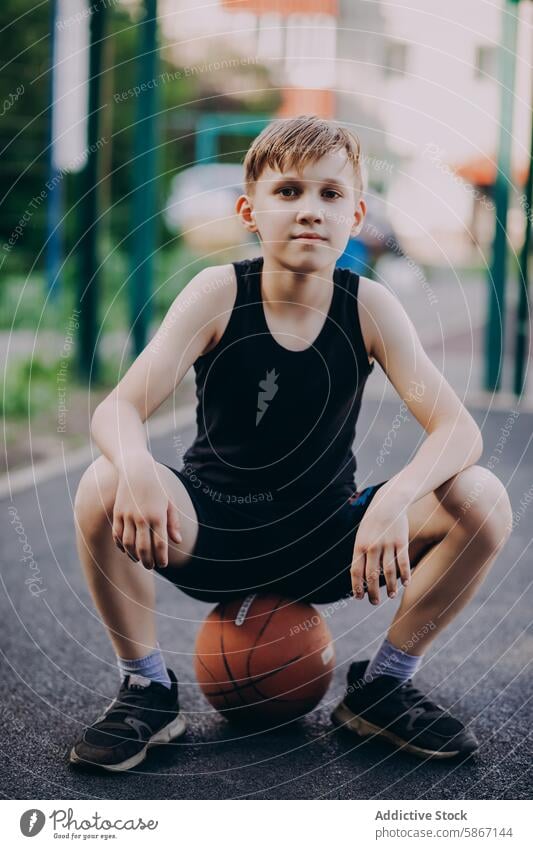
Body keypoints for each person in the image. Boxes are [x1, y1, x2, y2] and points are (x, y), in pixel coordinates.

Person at [70, 115, 512, 772]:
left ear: (356, 215)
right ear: (250, 210)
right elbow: (119, 408)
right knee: (101, 483)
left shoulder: (369, 307)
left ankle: (383, 683)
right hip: (210, 528)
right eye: (288, 192)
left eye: (330, 195)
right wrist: (133, 464)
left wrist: (394, 498)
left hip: (323, 538)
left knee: (481, 495)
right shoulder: (218, 294)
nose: (309, 210)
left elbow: (459, 429)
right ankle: (145, 686)